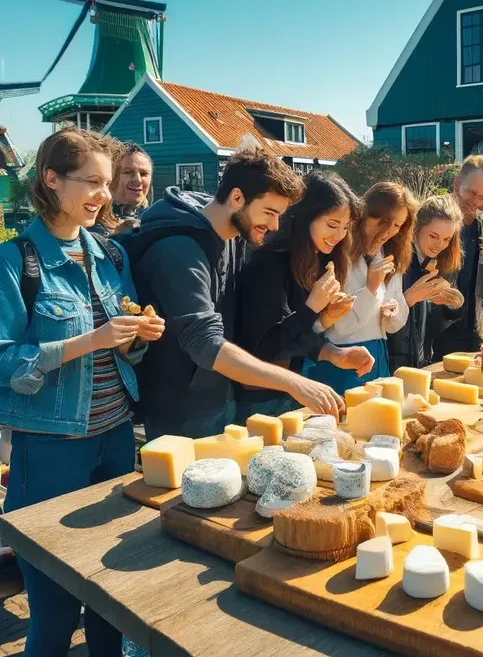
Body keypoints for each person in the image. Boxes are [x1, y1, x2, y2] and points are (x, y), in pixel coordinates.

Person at [0, 128, 165, 657]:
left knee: (107, 597)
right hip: (49, 451)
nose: (103, 194)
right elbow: (3, 359)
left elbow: (122, 348)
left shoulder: (110, 252)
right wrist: (88, 341)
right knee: (51, 611)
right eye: (90, 182)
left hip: (116, 438)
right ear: (51, 179)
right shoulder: (14, 260)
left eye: (106, 182)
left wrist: (137, 337)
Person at [124, 144, 345, 442]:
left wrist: (325, 349)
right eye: (269, 212)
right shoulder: (179, 251)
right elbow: (205, 343)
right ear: (236, 197)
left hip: (222, 397)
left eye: (280, 214)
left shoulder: (233, 237)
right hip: (180, 413)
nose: (274, 225)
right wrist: (293, 383)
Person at [235, 171, 373, 419]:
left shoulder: (315, 260)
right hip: (258, 402)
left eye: (345, 227)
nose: (339, 235)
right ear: (303, 218)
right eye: (331, 225)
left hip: (294, 390)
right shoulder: (268, 265)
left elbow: (297, 337)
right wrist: (312, 308)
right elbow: (265, 350)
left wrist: (334, 351)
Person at [308, 181, 416, 391]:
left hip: (379, 356)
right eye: (386, 221)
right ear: (365, 213)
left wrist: (392, 314)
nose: (390, 231)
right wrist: (371, 289)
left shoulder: (391, 256)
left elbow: (394, 325)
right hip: (340, 359)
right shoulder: (336, 254)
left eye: (398, 225)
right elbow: (338, 326)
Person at [433, 155, 483, 357]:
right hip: (435, 328)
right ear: (457, 183)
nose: (477, 202)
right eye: (472, 192)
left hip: (472, 327)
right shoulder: (434, 217)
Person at [388, 194, 465, 370]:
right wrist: (410, 298)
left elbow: (431, 329)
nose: (439, 245)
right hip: (394, 365)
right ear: (416, 228)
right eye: (433, 236)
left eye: (447, 239)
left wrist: (451, 306)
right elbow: (385, 321)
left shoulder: (439, 263)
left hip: (419, 363)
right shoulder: (398, 261)